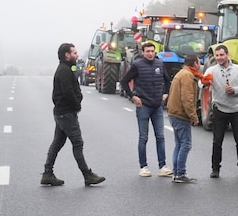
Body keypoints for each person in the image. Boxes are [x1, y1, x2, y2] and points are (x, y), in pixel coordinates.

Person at [41, 43, 105, 187]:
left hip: (62, 112)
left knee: (57, 143)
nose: (77, 55)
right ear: (67, 55)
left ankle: (47, 173)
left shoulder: (66, 69)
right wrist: (77, 104)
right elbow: (67, 92)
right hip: (66, 113)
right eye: (74, 53)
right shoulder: (64, 71)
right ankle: (87, 175)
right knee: (77, 143)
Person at [120, 42, 174, 178]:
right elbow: (124, 81)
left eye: (152, 51)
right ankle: (143, 166)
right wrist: (133, 96)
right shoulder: (137, 65)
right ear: (143, 53)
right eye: (147, 51)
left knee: (160, 136)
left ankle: (163, 166)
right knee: (143, 137)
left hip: (157, 106)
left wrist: (166, 93)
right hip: (143, 106)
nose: (150, 54)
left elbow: (168, 81)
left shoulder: (160, 64)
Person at [203, 44, 238, 178]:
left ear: (227, 55)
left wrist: (235, 90)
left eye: (221, 55)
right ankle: (215, 169)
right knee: (217, 141)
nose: (219, 58)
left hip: (237, 110)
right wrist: (206, 83)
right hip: (220, 109)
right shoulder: (212, 70)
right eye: (217, 55)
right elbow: (202, 82)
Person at [166, 54, 201, 184]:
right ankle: (180, 173)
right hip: (180, 114)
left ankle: (176, 172)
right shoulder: (187, 76)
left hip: (174, 113)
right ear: (195, 63)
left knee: (179, 144)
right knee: (185, 144)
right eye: (199, 63)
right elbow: (187, 99)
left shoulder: (181, 73)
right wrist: (194, 116)